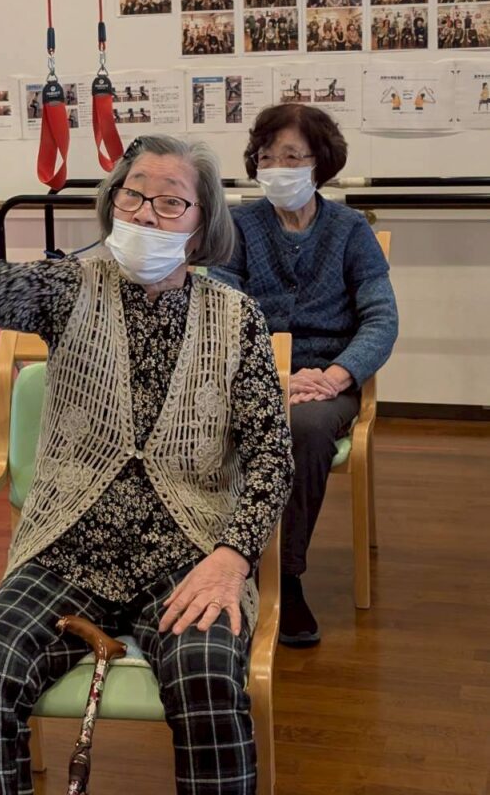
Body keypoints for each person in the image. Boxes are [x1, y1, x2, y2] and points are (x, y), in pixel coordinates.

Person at [0, 120, 294, 795]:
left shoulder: (235, 317)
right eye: (132, 195)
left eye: (170, 202)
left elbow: (271, 454)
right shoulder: (70, 287)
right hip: (68, 548)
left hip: (188, 554)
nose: (145, 214)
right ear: (111, 202)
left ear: (200, 225)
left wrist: (231, 556)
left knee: (207, 675)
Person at [212, 104, 398, 647]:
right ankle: (207, 557)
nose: (277, 168)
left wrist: (339, 376)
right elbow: (220, 309)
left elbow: (381, 317)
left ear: (321, 163)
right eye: (266, 156)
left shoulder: (350, 230)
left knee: (307, 428)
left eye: (291, 157)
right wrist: (272, 376)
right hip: (251, 375)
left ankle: (282, 575)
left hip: (326, 381)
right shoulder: (237, 227)